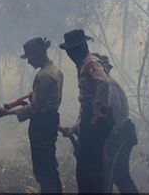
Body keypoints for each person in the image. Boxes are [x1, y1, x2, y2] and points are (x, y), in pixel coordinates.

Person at [0, 37, 63, 193]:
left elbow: (35, 108)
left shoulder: (44, 76)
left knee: (43, 167)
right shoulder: (54, 70)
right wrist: (14, 104)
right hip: (49, 121)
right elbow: (36, 96)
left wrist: (6, 113)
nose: (29, 62)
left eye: (30, 58)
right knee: (49, 165)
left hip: (42, 125)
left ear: (39, 54)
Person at [58, 29, 114, 193]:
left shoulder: (90, 63)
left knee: (90, 165)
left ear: (78, 49)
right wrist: (76, 127)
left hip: (98, 119)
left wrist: (98, 108)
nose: (69, 53)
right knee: (85, 163)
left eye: (71, 49)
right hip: (91, 118)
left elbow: (103, 83)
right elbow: (85, 103)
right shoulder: (83, 66)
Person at [94, 54, 139, 194]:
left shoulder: (110, 86)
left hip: (120, 134)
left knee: (117, 174)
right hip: (115, 134)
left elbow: (118, 115)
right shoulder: (102, 87)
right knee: (111, 173)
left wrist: (110, 133)